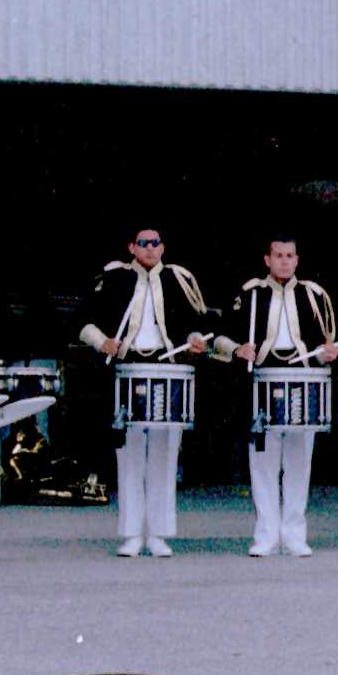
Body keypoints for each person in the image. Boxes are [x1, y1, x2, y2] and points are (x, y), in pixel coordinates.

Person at [78, 226, 208, 558]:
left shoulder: (179, 279)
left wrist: (195, 340)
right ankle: (132, 533)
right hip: (129, 370)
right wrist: (102, 341)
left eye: (155, 243)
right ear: (132, 247)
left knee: (165, 454)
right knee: (131, 455)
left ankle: (159, 534)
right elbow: (85, 321)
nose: (150, 249)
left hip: (170, 369)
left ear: (163, 248)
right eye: (143, 243)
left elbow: (198, 321)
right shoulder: (114, 278)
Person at [215, 233, 338, 558]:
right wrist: (237, 348)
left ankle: (295, 534)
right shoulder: (250, 294)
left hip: (303, 382)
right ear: (267, 260)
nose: (285, 261)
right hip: (263, 383)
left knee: (299, 462)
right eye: (278, 255)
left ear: (297, 260)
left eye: (290, 255)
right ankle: (266, 534)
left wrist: (328, 352)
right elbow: (222, 336)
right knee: (264, 463)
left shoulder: (313, 295)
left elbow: (330, 340)